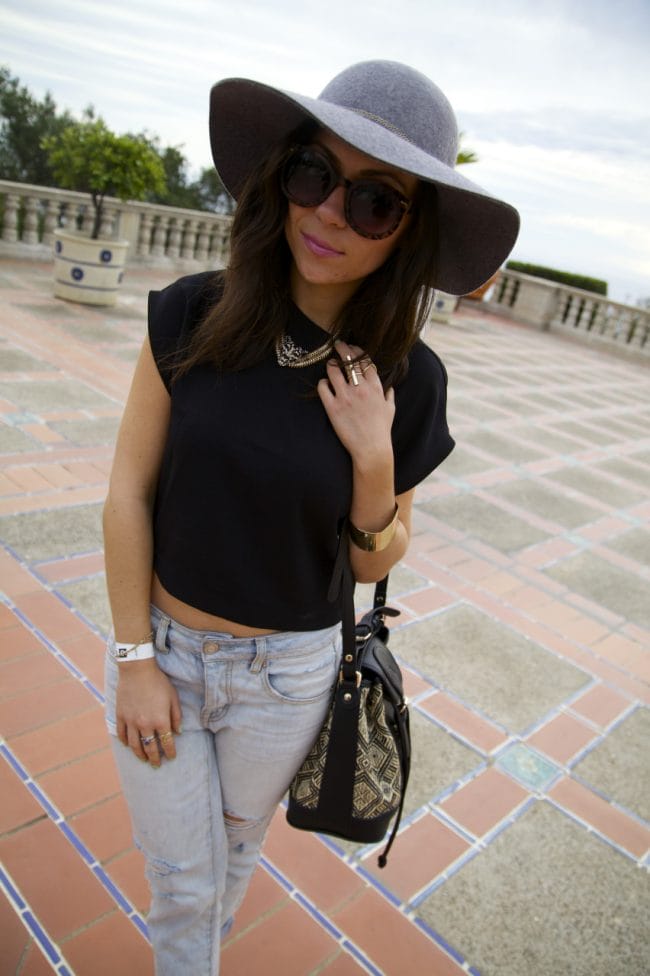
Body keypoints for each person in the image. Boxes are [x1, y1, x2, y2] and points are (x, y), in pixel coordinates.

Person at [103, 59, 519, 975]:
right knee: (182, 879)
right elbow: (127, 494)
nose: (330, 212)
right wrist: (134, 657)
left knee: (232, 859)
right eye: (312, 175)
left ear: (406, 232)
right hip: (161, 651)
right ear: (283, 178)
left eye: (375, 201)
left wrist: (375, 459)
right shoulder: (190, 316)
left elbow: (375, 562)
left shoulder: (412, 381)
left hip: (288, 679)